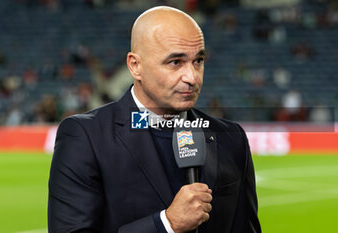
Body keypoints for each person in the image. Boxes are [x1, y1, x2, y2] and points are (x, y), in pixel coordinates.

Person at [48, 6, 261, 233]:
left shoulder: (230, 138)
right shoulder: (86, 137)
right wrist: (166, 225)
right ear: (135, 66)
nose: (192, 77)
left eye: (198, 60)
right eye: (175, 62)